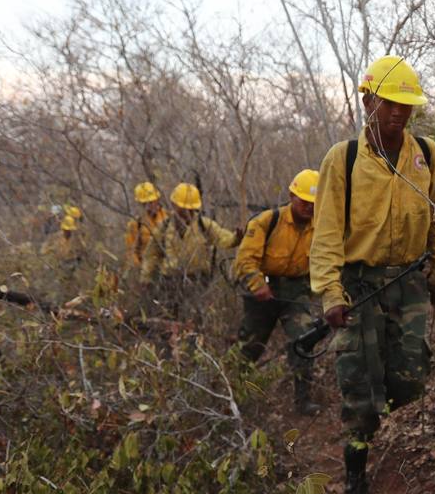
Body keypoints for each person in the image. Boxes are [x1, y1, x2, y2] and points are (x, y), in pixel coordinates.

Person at [310, 55, 435, 494]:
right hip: (357, 285)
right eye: (388, 102)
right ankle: (356, 480)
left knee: (410, 378)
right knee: (359, 391)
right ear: (368, 99)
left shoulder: (426, 154)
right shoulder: (343, 159)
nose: (397, 112)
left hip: (408, 281)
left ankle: (376, 406)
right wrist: (330, 293)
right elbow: (326, 232)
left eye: (406, 105)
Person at [233, 169, 322, 415]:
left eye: (314, 203)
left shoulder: (322, 226)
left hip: (296, 292)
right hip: (262, 292)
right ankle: (233, 398)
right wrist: (257, 284)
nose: (309, 207)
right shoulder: (265, 222)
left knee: (303, 341)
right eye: (305, 201)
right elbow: (245, 259)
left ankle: (302, 402)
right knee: (250, 347)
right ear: (292, 196)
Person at [140, 182, 240, 320]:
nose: (186, 213)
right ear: (174, 206)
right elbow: (151, 255)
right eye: (183, 210)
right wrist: (146, 278)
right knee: (167, 319)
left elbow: (224, 238)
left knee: (194, 319)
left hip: (198, 282)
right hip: (169, 282)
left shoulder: (204, 225)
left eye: (190, 210)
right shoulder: (164, 228)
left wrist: (237, 238)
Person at [125, 182, 167, 268]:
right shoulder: (136, 224)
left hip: (167, 269)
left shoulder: (168, 217)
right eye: (148, 203)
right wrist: (141, 268)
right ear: (142, 204)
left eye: (154, 201)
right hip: (147, 270)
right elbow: (131, 252)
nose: (152, 205)